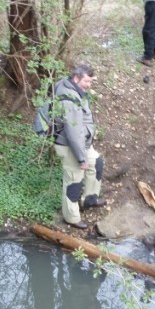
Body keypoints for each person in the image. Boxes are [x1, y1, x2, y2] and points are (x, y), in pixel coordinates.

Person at [53, 64, 106, 230]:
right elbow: (73, 132)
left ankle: (89, 199)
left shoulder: (68, 85)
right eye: (86, 81)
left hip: (80, 143)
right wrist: (81, 158)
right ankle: (71, 217)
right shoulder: (69, 100)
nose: (89, 85)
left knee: (96, 163)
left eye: (90, 81)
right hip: (70, 146)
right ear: (76, 78)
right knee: (74, 181)